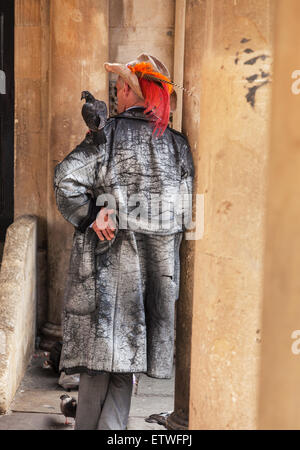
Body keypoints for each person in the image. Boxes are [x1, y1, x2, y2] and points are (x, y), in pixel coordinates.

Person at [54, 53, 195, 430]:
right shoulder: (178, 146)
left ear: (134, 91)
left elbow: (66, 179)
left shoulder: (107, 136)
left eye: (119, 86)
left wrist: (91, 214)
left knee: (98, 367)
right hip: (150, 280)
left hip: (104, 272)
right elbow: (184, 214)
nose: (115, 93)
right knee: (124, 369)